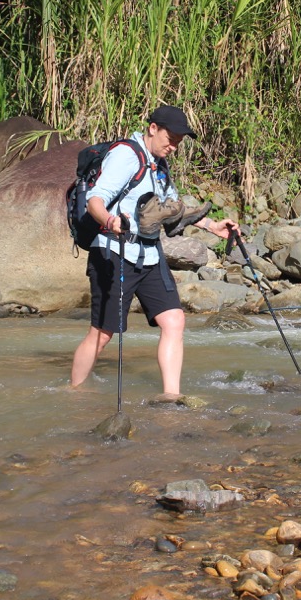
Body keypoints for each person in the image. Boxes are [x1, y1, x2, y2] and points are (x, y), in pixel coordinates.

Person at [70, 105, 236, 401]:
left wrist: (213, 225)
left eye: (178, 142)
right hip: (113, 252)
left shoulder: (159, 164)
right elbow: (96, 199)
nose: (173, 146)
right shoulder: (126, 155)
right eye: (170, 138)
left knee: (174, 320)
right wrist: (109, 220)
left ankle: (171, 397)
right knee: (103, 334)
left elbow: (173, 210)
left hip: (149, 254)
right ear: (152, 128)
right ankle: (74, 392)